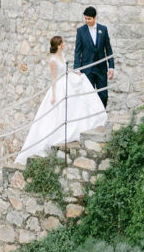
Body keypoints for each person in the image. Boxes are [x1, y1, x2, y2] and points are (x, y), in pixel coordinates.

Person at [15, 36, 107, 165]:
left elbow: (65, 70)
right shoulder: (53, 60)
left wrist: (75, 73)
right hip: (59, 86)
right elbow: (54, 78)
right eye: (62, 43)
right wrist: (53, 95)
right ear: (58, 45)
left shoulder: (61, 56)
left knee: (81, 83)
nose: (64, 44)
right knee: (59, 112)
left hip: (66, 82)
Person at [73, 6, 114, 108]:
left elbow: (108, 49)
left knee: (103, 96)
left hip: (101, 69)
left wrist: (111, 67)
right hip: (87, 69)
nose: (86, 21)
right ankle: (90, 121)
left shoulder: (103, 30)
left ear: (95, 18)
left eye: (89, 19)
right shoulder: (80, 31)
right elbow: (77, 51)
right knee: (88, 97)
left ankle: (101, 117)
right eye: (85, 18)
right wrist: (77, 68)